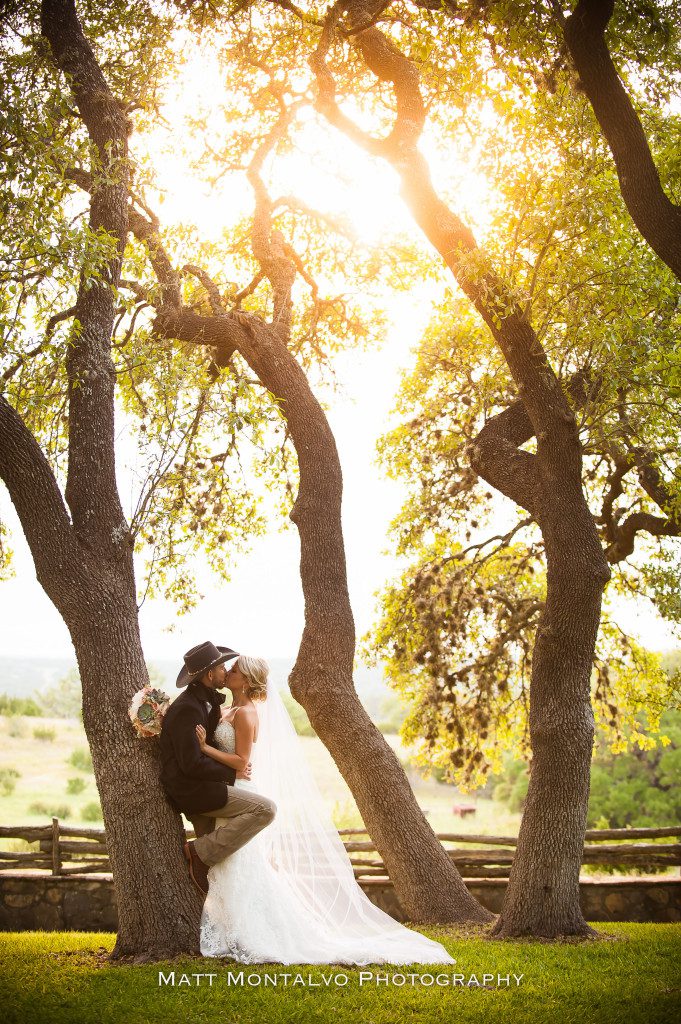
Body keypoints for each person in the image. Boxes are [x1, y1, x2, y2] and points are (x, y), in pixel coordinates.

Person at [196, 655, 456, 966]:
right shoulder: (228, 709)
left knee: (241, 862)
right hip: (229, 790)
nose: (229, 672)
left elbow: (241, 761)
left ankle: (249, 931)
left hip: (242, 792)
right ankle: (231, 926)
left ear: (247, 680)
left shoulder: (247, 713)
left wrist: (204, 749)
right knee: (232, 861)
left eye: (235, 670)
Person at [159, 641, 276, 896]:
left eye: (231, 669)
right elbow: (191, 763)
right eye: (224, 668)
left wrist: (229, 767)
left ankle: (216, 914)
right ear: (210, 674)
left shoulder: (211, 704)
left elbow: (228, 752)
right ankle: (198, 853)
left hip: (212, 783)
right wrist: (232, 773)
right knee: (265, 810)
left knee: (224, 865)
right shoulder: (190, 707)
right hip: (194, 789)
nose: (226, 671)